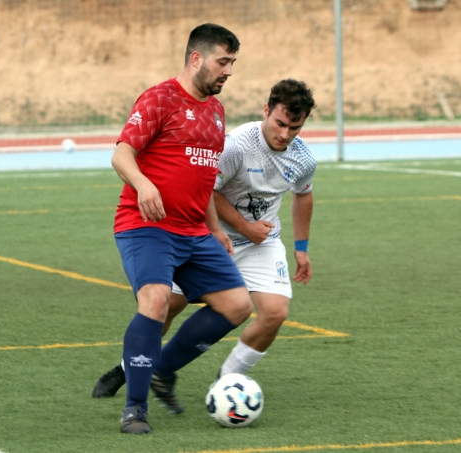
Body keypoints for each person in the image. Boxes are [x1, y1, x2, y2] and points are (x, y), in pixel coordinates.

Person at [93, 78, 317, 408]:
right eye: (280, 123)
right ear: (266, 111)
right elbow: (206, 190)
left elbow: (304, 195)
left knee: (275, 311)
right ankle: (129, 369)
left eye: (294, 127)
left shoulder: (304, 158)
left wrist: (301, 247)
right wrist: (240, 227)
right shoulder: (238, 145)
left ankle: (227, 383)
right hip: (210, 234)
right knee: (165, 307)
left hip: (261, 242)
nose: (284, 134)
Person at [110, 23, 253, 435]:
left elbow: (203, 180)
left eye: (232, 63)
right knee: (155, 301)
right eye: (223, 61)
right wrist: (143, 183)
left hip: (194, 232)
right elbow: (121, 154)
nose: (228, 71)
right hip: (147, 226)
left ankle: (162, 368)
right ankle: (134, 409)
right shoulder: (161, 98)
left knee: (237, 305)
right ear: (196, 58)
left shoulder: (216, 112)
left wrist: (215, 229)